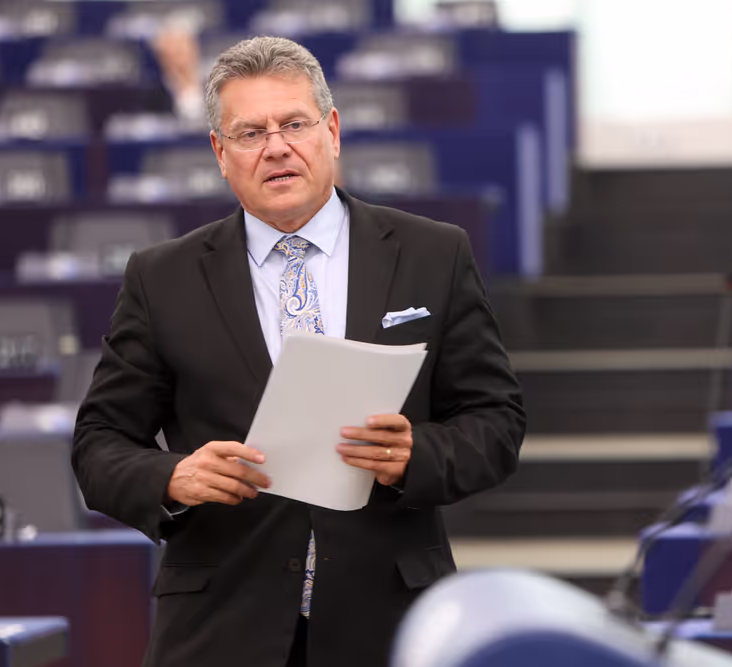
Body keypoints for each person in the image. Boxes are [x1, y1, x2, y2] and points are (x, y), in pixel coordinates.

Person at [72, 36, 525, 667]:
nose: (276, 146)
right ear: (219, 154)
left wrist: (418, 454)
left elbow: (497, 421)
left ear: (332, 131)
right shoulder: (161, 277)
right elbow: (98, 442)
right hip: (220, 628)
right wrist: (172, 476)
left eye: (294, 124)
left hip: (390, 621)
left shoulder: (433, 253)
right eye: (250, 132)